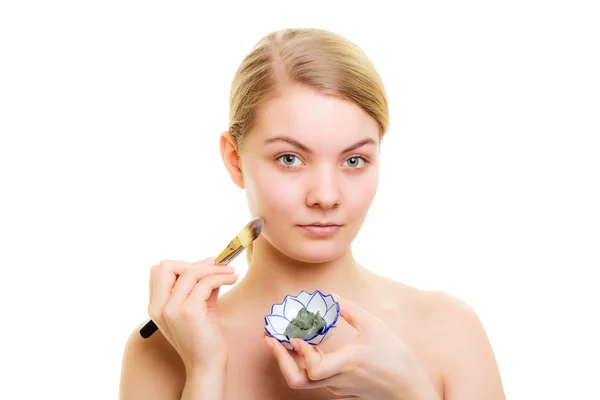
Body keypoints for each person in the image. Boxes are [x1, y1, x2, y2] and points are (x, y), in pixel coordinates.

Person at [119, 27, 506, 399]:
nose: (326, 196)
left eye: (354, 160)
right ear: (234, 159)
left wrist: (408, 392)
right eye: (290, 159)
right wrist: (205, 372)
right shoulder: (162, 349)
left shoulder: (449, 330)